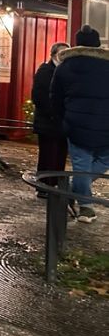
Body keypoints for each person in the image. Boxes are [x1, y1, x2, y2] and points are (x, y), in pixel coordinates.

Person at [51, 25, 109, 223]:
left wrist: (63, 119)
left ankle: (83, 205)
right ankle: (82, 202)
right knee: (103, 160)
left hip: (75, 124)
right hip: (106, 123)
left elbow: (55, 97)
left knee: (81, 165)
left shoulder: (65, 66)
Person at [32, 42, 69, 195]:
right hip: (48, 121)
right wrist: (53, 112)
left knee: (60, 154)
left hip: (60, 122)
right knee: (48, 154)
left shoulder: (64, 71)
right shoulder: (45, 71)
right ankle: (43, 186)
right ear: (54, 55)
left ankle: (54, 184)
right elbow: (39, 97)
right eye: (62, 54)